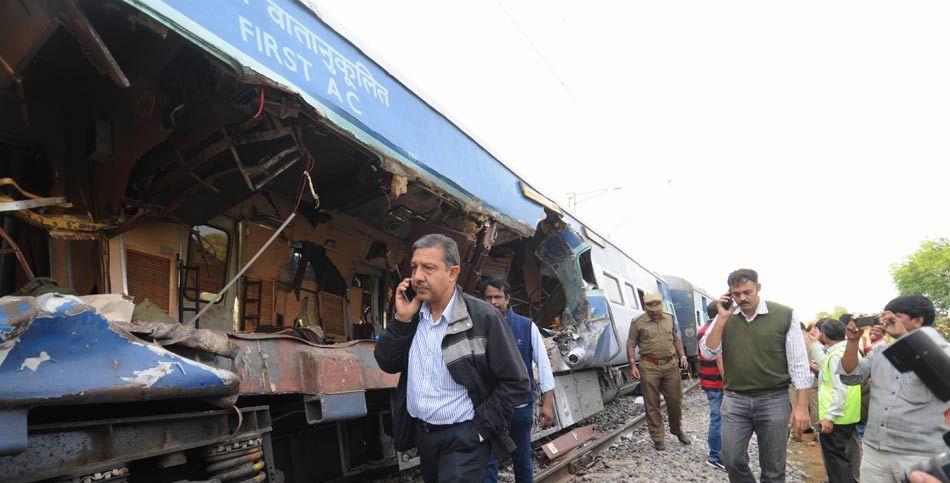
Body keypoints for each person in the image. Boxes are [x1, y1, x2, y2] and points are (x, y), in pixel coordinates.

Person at [374, 234, 530, 483]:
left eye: (428, 268)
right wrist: (401, 321)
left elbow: (517, 382)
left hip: (464, 438)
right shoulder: (413, 316)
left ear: (452, 272)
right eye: (414, 267)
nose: (417, 276)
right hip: (425, 435)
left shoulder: (483, 317)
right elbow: (386, 362)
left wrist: (480, 430)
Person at [700, 269, 813, 483]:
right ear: (729, 294)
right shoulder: (724, 318)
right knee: (731, 459)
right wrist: (722, 319)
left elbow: (799, 365)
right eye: (736, 294)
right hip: (735, 400)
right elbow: (708, 351)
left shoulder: (784, 314)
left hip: (774, 400)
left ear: (758, 288)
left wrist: (801, 405)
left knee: (773, 468)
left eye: (747, 292)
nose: (742, 298)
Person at [839, 295, 950, 483]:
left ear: (917, 320)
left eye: (895, 316)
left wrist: (906, 338)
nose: (888, 322)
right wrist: (852, 341)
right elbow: (851, 377)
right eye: (886, 317)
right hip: (875, 450)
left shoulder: (942, 352)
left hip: (920, 455)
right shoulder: (880, 352)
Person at [481, 277, 556, 483]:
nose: (493, 302)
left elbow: (543, 364)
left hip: (519, 407)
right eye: (488, 298)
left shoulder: (526, 326)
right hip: (490, 407)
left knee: (522, 458)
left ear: (508, 298)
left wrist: (547, 402)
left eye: (498, 297)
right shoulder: (478, 327)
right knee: (488, 460)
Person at [628, 292, 691, 450]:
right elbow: (630, 344)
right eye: (651, 309)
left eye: (657, 308)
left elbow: (675, 338)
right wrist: (632, 365)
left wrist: (682, 356)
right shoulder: (637, 323)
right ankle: (658, 438)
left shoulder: (669, 318)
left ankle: (676, 430)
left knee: (675, 400)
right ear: (645, 307)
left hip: (670, 365)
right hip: (649, 366)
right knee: (652, 403)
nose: (655, 312)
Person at [816, 319, 862, 483]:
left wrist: (830, 417)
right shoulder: (849, 350)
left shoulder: (837, 355)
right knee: (843, 457)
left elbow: (840, 387)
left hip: (836, 416)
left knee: (836, 461)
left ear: (824, 334)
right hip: (848, 413)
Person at [697, 300, 726, 470]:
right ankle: (716, 456)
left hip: (709, 381)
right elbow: (719, 357)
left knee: (717, 418)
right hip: (718, 382)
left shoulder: (702, 330)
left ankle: (716, 454)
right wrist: (728, 383)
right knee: (719, 419)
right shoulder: (715, 331)